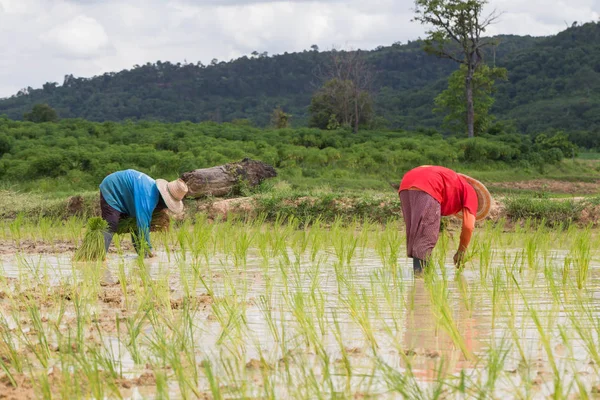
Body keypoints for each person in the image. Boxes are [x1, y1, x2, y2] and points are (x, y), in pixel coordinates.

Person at [399, 165, 488, 274]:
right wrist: (461, 252)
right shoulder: (471, 192)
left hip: (406, 182)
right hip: (429, 184)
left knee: (416, 232)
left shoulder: (454, 184)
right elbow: (468, 226)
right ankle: (420, 281)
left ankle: (420, 276)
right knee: (426, 237)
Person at [99, 169, 188, 257]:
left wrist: (145, 253)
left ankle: (142, 254)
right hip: (112, 187)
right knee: (111, 224)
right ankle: (98, 255)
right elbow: (142, 225)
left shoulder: (152, 192)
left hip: (127, 194)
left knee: (133, 224)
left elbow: (137, 226)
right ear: (164, 199)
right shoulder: (148, 197)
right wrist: (148, 248)